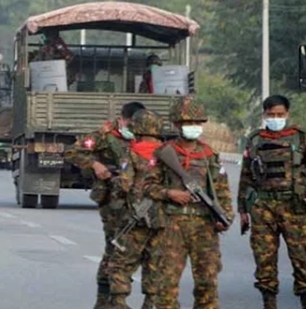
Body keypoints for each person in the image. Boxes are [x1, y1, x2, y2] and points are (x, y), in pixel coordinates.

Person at [63, 101, 152, 309]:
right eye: (130, 124)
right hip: (113, 200)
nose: (134, 129)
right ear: (122, 119)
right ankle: (106, 301)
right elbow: (72, 152)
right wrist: (95, 164)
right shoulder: (105, 135)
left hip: (141, 200)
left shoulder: (144, 136)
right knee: (115, 247)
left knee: (144, 250)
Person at [151, 95, 234, 309]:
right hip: (171, 226)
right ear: (177, 124)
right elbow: (144, 187)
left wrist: (224, 218)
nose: (193, 127)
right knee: (166, 287)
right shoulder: (164, 154)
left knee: (207, 284)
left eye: (197, 122)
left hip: (205, 227)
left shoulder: (210, 156)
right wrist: (169, 193)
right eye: (188, 122)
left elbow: (222, 192)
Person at [238, 94, 306, 309]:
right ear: (264, 114)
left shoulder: (300, 138)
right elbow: (246, 175)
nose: (276, 118)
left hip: (295, 209)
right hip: (263, 209)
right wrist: (243, 210)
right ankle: (269, 303)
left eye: (280, 114)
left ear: (287, 114)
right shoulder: (256, 140)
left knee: (302, 260)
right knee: (264, 260)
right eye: (271, 114)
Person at [106, 109, 167, 308]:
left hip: (135, 218)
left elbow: (124, 184)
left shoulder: (132, 152)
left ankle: (119, 302)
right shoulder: (169, 152)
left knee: (121, 263)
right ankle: (150, 303)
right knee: (155, 263)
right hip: (163, 218)